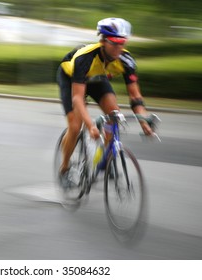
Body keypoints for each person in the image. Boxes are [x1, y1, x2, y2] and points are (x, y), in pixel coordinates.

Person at [57, 17, 153, 187]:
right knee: (75, 125)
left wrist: (143, 118)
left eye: (122, 42)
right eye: (114, 43)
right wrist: (90, 125)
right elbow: (78, 98)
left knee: (114, 115)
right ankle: (64, 169)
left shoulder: (126, 60)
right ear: (103, 41)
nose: (119, 47)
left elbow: (135, 95)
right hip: (72, 78)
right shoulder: (84, 58)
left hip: (97, 79)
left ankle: (104, 161)